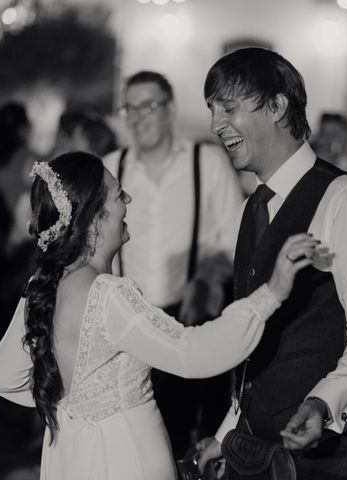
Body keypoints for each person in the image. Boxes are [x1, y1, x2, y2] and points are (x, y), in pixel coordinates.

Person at [0, 151, 318, 480]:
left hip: (69, 455)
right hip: (123, 459)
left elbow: (2, 379)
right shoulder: (108, 296)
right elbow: (192, 353)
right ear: (94, 217)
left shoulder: (43, 286)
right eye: (119, 195)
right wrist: (270, 294)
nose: (128, 199)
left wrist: (70, 404)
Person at [196, 47, 347, 479]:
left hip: (334, 449)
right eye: (213, 110)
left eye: (228, 108)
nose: (216, 125)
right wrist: (227, 432)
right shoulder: (255, 205)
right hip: (261, 445)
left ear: (277, 106)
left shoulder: (346, 200)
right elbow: (257, 344)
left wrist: (324, 402)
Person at [103, 70, 243, 457]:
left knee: (184, 436)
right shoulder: (110, 166)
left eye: (148, 105)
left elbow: (234, 235)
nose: (137, 116)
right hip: (127, 327)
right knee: (134, 440)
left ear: (170, 109)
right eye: (129, 107)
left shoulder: (207, 162)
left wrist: (209, 275)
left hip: (190, 322)